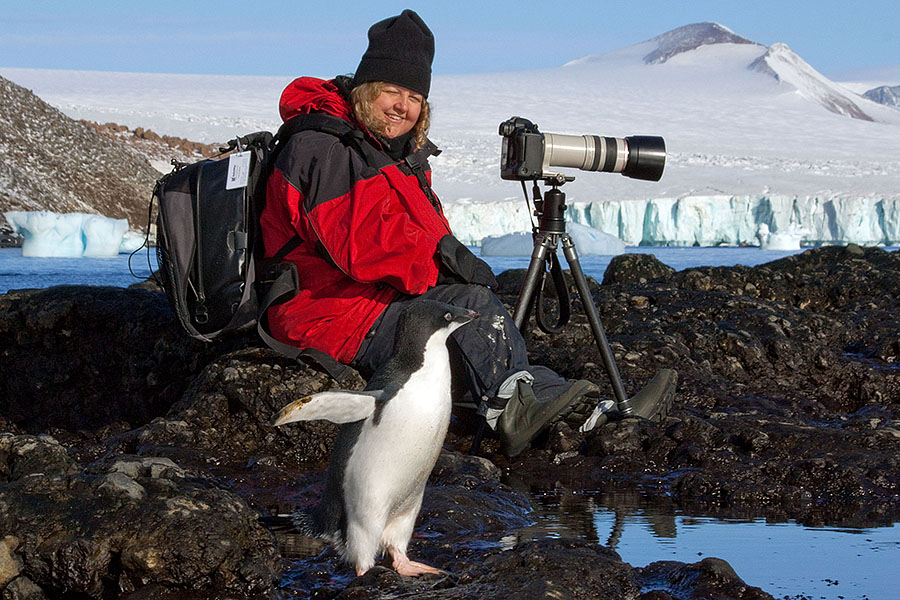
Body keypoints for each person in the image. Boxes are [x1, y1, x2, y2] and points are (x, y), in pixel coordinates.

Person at [260, 9, 671, 457]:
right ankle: (511, 412)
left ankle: (598, 412)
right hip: (329, 314)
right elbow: (363, 247)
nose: (403, 106)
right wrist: (442, 261)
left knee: (486, 329)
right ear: (365, 90)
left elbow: (414, 233)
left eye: (415, 96)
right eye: (392, 91)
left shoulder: (391, 154)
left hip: (372, 300)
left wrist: (445, 260)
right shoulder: (321, 146)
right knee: (471, 310)